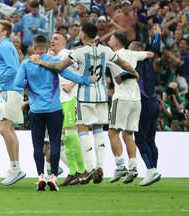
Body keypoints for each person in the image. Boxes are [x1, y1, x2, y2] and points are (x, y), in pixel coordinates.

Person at [29, 22, 135, 185]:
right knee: (99, 130)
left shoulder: (79, 52)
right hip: (101, 96)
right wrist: (134, 72)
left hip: (84, 96)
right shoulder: (106, 50)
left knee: (83, 129)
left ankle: (91, 167)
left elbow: (58, 66)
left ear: (83, 34)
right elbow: (123, 64)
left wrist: (42, 62)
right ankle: (100, 166)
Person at [16, 35, 95, 191]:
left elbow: (18, 83)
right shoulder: (53, 63)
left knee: (37, 145)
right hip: (54, 109)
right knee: (55, 142)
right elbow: (68, 75)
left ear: (33, 46)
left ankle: (41, 176)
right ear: (46, 47)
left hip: (36, 110)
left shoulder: (26, 63)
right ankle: (53, 176)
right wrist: (86, 80)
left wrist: (30, 83)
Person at [107, 33, 152, 184]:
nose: (109, 40)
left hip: (121, 99)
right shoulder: (133, 53)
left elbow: (118, 76)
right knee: (128, 134)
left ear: (116, 43)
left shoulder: (113, 55)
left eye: (111, 38)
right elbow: (150, 54)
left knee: (113, 132)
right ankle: (133, 167)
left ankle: (120, 166)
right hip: (136, 100)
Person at [49, 32, 87, 187]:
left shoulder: (69, 54)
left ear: (64, 42)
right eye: (51, 39)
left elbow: (85, 69)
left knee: (71, 134)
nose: (52, 41)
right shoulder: (51, 56)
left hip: (70, 98)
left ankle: (82, 170)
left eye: (56, 38)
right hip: (57, 101)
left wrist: (72, 84)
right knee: (64, 137)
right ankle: (73, 171)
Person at [0, 19, 26, 186]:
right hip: (11, 90)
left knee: (4, 129)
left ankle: (15, 168)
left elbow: (13, 68)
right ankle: (15, 167)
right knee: (9, 129)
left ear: (4, 32)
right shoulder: (7, 46)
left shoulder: (4, 46)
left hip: (10, 90)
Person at [136, 25, 162, 186]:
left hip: (144, 104)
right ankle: (154, 170)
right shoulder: (148, 61)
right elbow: (155, 48)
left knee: (139, 138)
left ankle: (151, 169)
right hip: (154, 102)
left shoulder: (137, 62)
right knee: (151, 140)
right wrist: (157, 35)